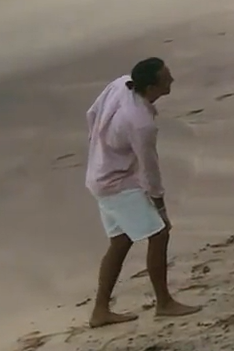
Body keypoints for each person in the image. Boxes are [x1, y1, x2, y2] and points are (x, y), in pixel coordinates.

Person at [85, 57, 200, 327]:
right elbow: (150, 170)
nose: (171, 79)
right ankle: (164, 303)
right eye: (166, 76)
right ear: (151, 86)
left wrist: (99, 145)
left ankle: (100, 311)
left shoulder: (122, 82)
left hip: (99, 175)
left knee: (121, 241)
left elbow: (91, 113)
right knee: (159, 233)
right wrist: (160, 205)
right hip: (116, 182)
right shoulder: (141, 124)